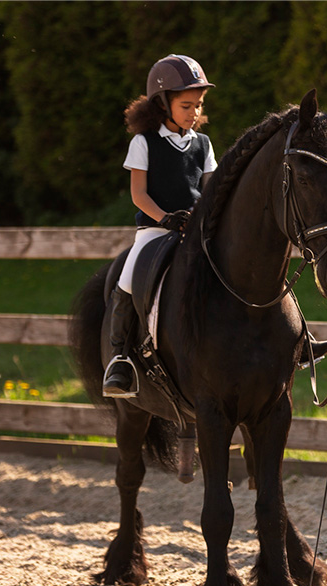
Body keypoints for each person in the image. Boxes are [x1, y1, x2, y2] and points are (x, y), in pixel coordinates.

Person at [103, 54, 217, 399]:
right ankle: (120, 357)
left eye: (198, 105)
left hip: (195, 230)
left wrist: (202, 217)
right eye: (186, 105)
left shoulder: (203, 144)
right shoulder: (144, 142)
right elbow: (138, 195)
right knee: (127, 277)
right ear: (162, 102)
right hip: (156, 230)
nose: (194, 112)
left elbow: (211, 192)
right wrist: (165, 218)